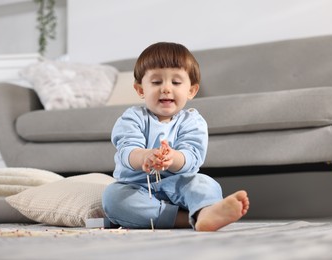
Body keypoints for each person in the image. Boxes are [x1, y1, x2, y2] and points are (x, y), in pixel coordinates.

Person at [102, 42, 249, 231]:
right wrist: (145, 156)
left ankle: (204, 210)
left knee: (205, 183)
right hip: (138, 189)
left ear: (191, 90)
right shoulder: (132, 117)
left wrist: (173, 158)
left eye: (176, 82)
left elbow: (192, 157)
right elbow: (127, 150)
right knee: (112, 198)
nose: (166, 88)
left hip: (181, 186)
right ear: (140, 90)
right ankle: (189, 218)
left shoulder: (193, 121)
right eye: (156, 82)